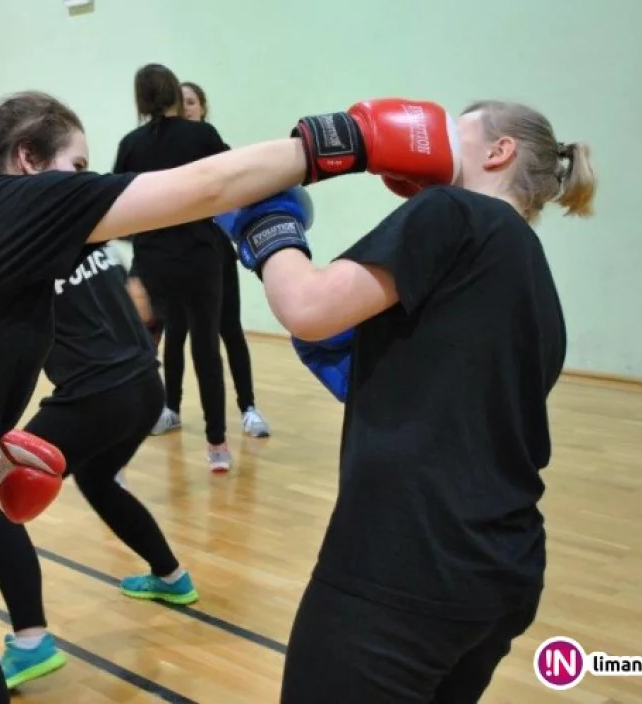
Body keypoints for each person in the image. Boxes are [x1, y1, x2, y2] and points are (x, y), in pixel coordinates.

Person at [0, 88, 450, 702]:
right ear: (28, 160)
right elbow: (202, 187)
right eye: (77, 169)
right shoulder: (9, 205)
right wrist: (351, 141)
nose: (87, 185)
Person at [212, 99, 596, 702]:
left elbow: (308, 308)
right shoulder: (531, 274)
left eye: (456, 131)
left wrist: (269, 224)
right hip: (502, 571)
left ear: (499, 152)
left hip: (403, 568)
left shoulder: (452, 211)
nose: (433, 140)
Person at [0, 235, 198, 690]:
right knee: (98, 478)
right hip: (144, 387)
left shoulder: (27, 248)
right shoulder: (89, 236)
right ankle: (171, 576)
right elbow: (139, 306)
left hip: (98, 396)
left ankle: (30, 639)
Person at [113, 64, 236, 472]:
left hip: (151, 264)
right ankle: (217, 446)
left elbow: (119, 203)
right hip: (200, 259)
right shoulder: (202, 135)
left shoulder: (131, 143)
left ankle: (118, 456)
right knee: (206, 351)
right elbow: (232, 180)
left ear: (140, 99)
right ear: (170, 93)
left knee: (138, 356)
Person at [151, 80, 270, 439]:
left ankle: (248, 408)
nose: (186, 107)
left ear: (202, 107)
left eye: (191, 102)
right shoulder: (165, 155)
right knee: (175, 335)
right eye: (180, 102)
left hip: (216, 257)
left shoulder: (217, 150)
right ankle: (170, 408)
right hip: (177, 258)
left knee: (229, 330)